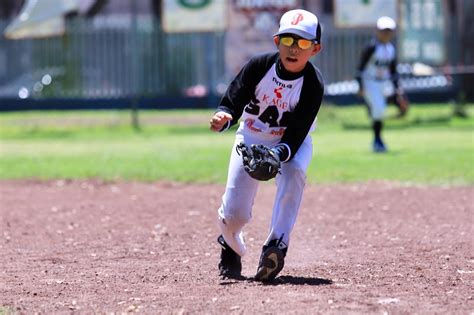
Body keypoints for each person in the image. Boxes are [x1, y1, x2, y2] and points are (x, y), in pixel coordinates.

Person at [209, 9, 324, 281]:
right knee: (234, 214)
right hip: (251, 136)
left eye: (303, 43)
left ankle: (276, 247)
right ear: (276, 42)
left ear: (315, 49)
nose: (294, 49)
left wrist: (278, 153)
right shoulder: (260, 66)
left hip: (290, 143)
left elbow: (297, 131)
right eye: (288, 40)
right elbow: (234, 97)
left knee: (294, 173)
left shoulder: (313, 84)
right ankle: (230, 244)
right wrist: (225, 115)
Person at [356, 16, 406, 153]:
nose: (386, 34)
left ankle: (378, 139)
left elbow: (393, 71)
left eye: (389, 31)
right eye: (383, 31)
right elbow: (360, 68)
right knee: (378, 110)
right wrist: (360, 86)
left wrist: (398, 91)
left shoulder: (391, 49)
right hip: (370, 82)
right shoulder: (371, 47)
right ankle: (377, 141)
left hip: (384, 83)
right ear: (377, 31)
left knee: (381, 109)